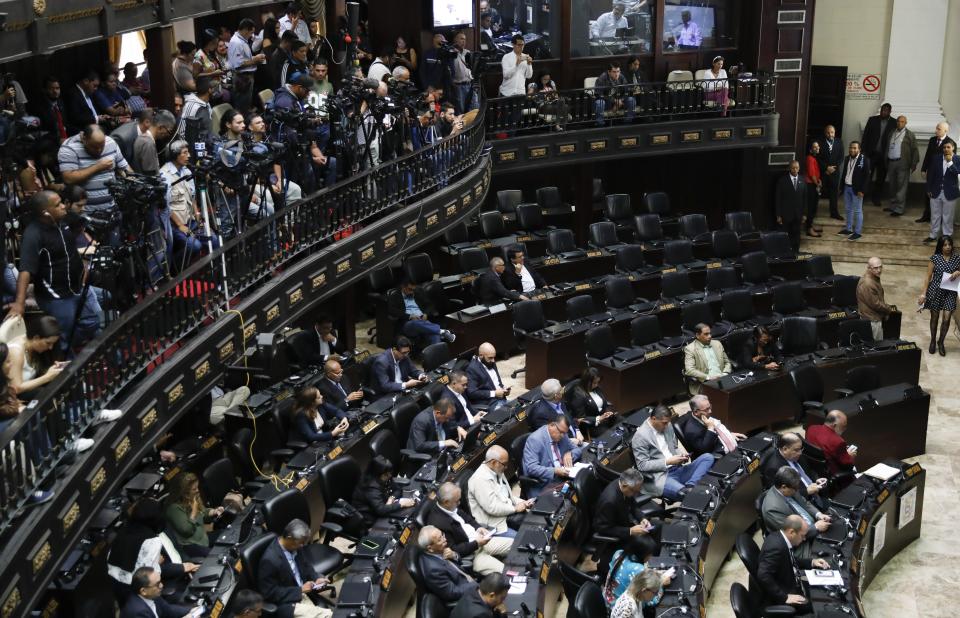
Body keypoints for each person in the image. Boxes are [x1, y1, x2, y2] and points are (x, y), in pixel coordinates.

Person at [7, 191, 104, 352]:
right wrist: (19, 303)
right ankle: (68, 371)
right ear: (45, 212)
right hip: (57, 296)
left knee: (94, 322)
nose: (63, 206)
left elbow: (73, 246)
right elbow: (25, 270)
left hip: (78, 287)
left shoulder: (63, 220)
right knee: (62, 339)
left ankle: (74, 346)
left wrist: (83, 268)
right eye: (58, 204)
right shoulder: (33, 235)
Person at [107, 498, 200, 601]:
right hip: (141, 592)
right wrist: (157, 563)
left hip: (117, 586)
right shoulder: (152, 541)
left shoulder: (122, 532)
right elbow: (152, 576)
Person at [427, 482, 513, 576]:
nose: (459, 503)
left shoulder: (450, 506)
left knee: (517, 546)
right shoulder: (438, 524)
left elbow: (468, 518)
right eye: (457, 501)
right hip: (473, 555)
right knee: (507, 573)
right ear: (446, 502)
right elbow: (454, 550)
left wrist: (478, 527)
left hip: (482, 541)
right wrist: (477, 543)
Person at [631, 405, 714, 500]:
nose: (667, 426)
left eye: (668, 423)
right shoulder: (640, 437)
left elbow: (674, 447)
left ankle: (691, 485)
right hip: (661, 478)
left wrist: (680, 456)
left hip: (678, 469)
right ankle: (689, 491)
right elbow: (642, 465)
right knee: (687, 495)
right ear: (653, 419)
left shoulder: (668, 425)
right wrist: (668, 461)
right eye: (664, 423)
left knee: (708, 457)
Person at [58, 123, 130, 227]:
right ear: (84, 139)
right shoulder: (69, 148)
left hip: (112, 209)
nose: (99, 150)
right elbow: (68, 178)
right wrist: (97, 167)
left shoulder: (110, 142)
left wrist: (135, 180)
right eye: (94, 147)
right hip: (86, 214)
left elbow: (124, 168)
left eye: (102, 146)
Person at [257, 519, 332, 618]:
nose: (302, 545)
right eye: (300, 543)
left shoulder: (295, 547)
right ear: (289, 538)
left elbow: (306, 566)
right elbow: (269, 593)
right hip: (287, 601)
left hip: (304, 592)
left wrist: (316, 578)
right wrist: (300, 590)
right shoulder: (270, 560)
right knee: (328, 615)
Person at [594, 469, 661, 579]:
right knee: (649, 545)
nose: (636, 494)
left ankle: (658, 562)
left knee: (658, 526)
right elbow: (602, 528)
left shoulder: (626, 488)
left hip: (627, 522)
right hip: (618, 534)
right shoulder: (609, 501)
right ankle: (647, 575)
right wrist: (630, 531)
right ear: (625, 485)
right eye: (635, 491)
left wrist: (642, 518)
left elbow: (634, 506)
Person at [757, 515, 830, 610]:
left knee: (824, 592)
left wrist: (812, 562)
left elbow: (790, 560)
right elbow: (763, 575)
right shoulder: (776, 547)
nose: (804, 539)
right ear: (792, 532)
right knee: (821, 605)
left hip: (792, 580)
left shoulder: (781, 538)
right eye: (802, 536)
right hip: (786, 592)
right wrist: (785, 597)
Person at [761, 467, 831, 558]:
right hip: (801, 545)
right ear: (784, 487)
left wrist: (819, 515)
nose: (797, 490)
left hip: (813, 527)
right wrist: (816, 528)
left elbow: (805, 503)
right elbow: (792, 535)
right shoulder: (772, 510)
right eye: (795, 488)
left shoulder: (791, 488)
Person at [468, 446, 533, 537]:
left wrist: (523, 502)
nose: (506, 467)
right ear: (494, 462)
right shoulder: (479, 480)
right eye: (504, 464)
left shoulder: (497, 470)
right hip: (495, 525)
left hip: (507, 515)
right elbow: (493, 508)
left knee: (536, 524)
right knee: (523, 539)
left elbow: (506, 496)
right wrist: (515, 509)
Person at [760, 432, 828, 510]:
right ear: (785, 449)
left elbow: (809, 470)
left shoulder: (795, 454)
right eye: (797, 450)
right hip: (802, 505)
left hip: (817, 496)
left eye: (801, 449)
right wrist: (806, 491)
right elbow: (782, 495)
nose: (800, 453)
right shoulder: (774, 469)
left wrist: (816, 479)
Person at [163, 471, 223, 558]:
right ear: (184, 492)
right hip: (190, 545)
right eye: (194, 489)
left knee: (226, 535)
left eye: (197, 487)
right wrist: (194, 512)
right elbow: (187, 530)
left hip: (203, 538)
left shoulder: (192, 498)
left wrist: (213, 511)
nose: (197, 491)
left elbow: (203, 512)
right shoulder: (173, 508)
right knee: (215, 557)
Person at [918, 236, 960, 356]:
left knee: (946, 319)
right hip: (935, 291)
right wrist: (923, 294)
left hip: (950, 292)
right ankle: (932, 340)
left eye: (949, 244)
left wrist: (958, 272)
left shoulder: (957, 258)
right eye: (945, 245)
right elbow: (928, 277)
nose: (947, 247)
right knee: (934, 317)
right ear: (940, 246)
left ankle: (940, 342)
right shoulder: (935, 258)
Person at [416, 525, 479, 603]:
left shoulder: (438, 549)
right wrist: (477, 586)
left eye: (442, 535)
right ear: (430, 548)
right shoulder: (433, 570)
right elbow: (452, 593)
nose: (444, 539)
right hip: (466, 594)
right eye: (440, 539)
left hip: (467, 579)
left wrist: (453, 555)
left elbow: (459, 561)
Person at [351, 455, 416, 531]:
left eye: (389, 473)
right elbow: (381, 510)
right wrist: (401, 504)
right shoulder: (370, 487)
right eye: (386, 474)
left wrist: (391, 498)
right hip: (371, 517)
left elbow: (398, 489)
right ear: (376, 474)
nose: (390, 476)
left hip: (383, 506)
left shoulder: (384, 476)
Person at [602, 535, 667, 609]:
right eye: (650, 554)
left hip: (607, 601)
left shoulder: (619, 553)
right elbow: (650, 601)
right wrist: (661, 583)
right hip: (620, 609)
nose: (650, 557)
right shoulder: (638, 570)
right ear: (642, 554)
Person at [521, 414, 578, 498]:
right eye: (561, 432)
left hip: (562, 478)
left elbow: (577, 449)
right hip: (545, 483)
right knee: (567, 498)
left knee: (579, 487)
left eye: (565, 433)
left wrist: (570, 454)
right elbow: (531, 468)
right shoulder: (535, 440)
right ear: (551, 425)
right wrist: (554, 471)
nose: (563, 436)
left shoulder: (562, 433)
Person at [388, 279, 456, 347]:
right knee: (415, 322)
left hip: (423, 321)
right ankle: (442, 331)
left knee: (435, 335)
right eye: (410, 289)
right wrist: (410, 316)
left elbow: (430, 305)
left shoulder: (417, 291)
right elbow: (392, 310)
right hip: (408, 324)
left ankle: (437, 355)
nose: (412, 292)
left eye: (413, 289)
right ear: (403, 287)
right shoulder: (395, 295)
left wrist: (426, 314)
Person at [527, 378, 586, 455]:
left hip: (577, 441)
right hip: (562, 450)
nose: (563, 390)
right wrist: (571, 441)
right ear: (556, 396)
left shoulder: (559, 401)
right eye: (561, 390)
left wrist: (577, 430)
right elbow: (550, 439)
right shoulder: (540, 414)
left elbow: (569, 417)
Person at [679, 394, 745, 458]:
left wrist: (730, 434)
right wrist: (710, 428)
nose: (710, 411)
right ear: (696, 412)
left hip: (735, 446)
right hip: (722, 456)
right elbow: (705, 451)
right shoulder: (691, 431)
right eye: (706, 409)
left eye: (710, 407)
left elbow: (719, 427)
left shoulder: (704, 416)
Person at [918, 121, 955, 225]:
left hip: (941, 175)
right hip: (931, 172)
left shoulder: (950, 143)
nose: (936, 131)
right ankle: (926, 215)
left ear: (945, 131)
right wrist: (923, 169)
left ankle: (940, 220)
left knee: (939, 196)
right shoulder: (932, 140)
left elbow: (951, 162)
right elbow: (928, 155)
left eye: (939, 129)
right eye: (936, 128)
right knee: (928, 194)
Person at [121, 567, 195, 618]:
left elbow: (169, 610)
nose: (162, 585)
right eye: (157, 584)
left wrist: (192, 610)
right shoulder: (138, 612)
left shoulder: (152, 595)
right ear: (143, 591)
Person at [563, 367, 616, 438]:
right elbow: (580, 418)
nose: (596, 385)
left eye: (598, 382)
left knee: (623, 423)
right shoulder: (578, 395)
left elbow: (605, 402)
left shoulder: (596, 388)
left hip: (605, 419)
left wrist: (608, 412)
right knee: (612, 436)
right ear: (587, 381)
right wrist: (598, 419)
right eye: (594, 383)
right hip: (591, 426)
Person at [228, 18, 267, 113]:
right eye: (250, 33)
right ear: (245, 29)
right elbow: (238, 64)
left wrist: (254, 58)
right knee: (243, 107)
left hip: (246, 77)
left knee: (247, 104)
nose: (251, 36)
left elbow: (244, 58)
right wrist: (255, 61)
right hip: (242, 78)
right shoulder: (236, 42)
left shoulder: (242, 40)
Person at [884, 115, 919, 216]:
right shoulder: (892, 132)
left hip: (903, 163)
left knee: (901, 186)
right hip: (891, 162)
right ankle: (893, 206)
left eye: (902, 122)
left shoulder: (910, 134)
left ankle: (899, 209)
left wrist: (914, 163)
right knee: (892, 185)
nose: (900, 123)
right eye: (898, 121)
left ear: (906, 123)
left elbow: (915, 150)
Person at [860, 102, 895, 205]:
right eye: (882, 110)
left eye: (886, 110)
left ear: (889, 111)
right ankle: (863, 195)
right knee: (867, 175)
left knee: (881, 178)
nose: (883, 112)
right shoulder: (872, 120)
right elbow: (865, 136)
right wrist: (863, 151)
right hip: (871, 153)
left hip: (884, 155)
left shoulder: (893, 122)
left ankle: (876, 198)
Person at [925, 141, 959, 244]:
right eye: (944, 147)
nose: (946, 149)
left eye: (948, 147)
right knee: (935, 215)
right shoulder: (936, 158)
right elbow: (931, 174)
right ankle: (933, 235)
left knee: (948, 216)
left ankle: (946, 236)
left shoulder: (958, 159)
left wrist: (950, 162)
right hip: (935, 191)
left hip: (950, 192)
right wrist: (928, 189)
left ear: (953, 148)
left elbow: (957, 172)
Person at [682, 323, 732, 394]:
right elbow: (689, 370)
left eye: (710, 333)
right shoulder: (690, 349)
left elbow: (727, 362)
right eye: (706, 334)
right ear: (697, 335)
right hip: (705, 382)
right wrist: (708, 377)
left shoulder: (717, 344)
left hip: (722, 378)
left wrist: (725, 373)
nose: (710, 336)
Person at [856, 257, 897, 342]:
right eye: (875, 268)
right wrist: (888, 309)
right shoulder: (867, 283)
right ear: (869, 268)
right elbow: (875, 304)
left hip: (873, 318)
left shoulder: (873, 278)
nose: (879, 270)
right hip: (872, 321)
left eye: (880, 267)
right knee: (876, 347)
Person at [805, 410, 857, 476]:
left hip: (814, 469)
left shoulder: (811, 428)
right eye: (843, 426)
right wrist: (850, 456)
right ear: (834, 425)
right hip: (835, 475)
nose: (845, 429)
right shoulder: (838, 441)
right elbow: (848, 466)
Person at [837, 141, 871, 241]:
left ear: (859, 150)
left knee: (857, 211)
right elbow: (844, 173)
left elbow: (866, 177)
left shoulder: (864, 160)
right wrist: (841, 187)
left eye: (855, 148)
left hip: (857, 190)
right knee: (848, 209)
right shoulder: (847, 158)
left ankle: (858, 232)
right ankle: (848, 229)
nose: (852, 150)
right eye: (851, 147)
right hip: (847, 187)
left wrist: (862, 190)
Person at [775, 159, 807, 252]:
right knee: (784, 236)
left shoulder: (802, 180)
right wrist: (778, 215)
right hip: (786, 215)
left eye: (797, 168)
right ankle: (784, 254)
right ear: (790, 168)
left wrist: (805, 214)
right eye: (793, 168)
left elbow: (805, 199)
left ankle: (795, 253)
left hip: (798, 215)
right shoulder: (782, 181)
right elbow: (778, 199)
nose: (795, 170)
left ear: (799, 168)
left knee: (796, 236)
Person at [464, 343, 510, 408]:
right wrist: (494, 393)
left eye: (494, 357)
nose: (493, 360)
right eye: (490, 358)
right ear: (481, 356)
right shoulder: (472, 369)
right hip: (489, 404)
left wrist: (503, 389)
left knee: (520, 410)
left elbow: (497, 382)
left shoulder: (491, 362)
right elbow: (472, 393)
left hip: (501, 399)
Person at [133, 109, 176, 175]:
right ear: (161, 128)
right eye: (169, 131)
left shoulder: (144, 138)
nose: (168, 135)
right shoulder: (148, 143)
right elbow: (151, 175)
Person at [593, 61, 635, 127]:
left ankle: (627, 123)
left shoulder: (621, 77)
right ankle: (600, 125)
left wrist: (620, 101)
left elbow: (627, 91)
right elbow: (598, 94)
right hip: (607, 102)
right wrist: (614, 101)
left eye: (618, 71)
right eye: (614, 72)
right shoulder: (601, 78)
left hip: (620, 101)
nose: (617, 74)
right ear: (609, 72)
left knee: (631, 100)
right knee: (599, 103)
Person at [816, 124, 844, 221]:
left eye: (832, 132)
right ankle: (813, 211)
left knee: (834, 192)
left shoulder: (839, 142)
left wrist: (833, 168)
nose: (830, 134)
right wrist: (826, 168)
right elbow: (817, 158)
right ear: (825, 133)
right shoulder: (819, 142)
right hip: (824, 172)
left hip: (835, 172)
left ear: (834, 133)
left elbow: (841, 157)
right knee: (818, 191)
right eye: (828, 132)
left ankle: (834, 212)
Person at [450, 31, 478, 115]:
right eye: (461, 39)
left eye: (465, 39)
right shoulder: (451, 54)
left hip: (470, 85)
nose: (463, 41)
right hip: (458, 87)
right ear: (455, 40)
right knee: (461, 111)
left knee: (475, 109)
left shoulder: (468, 52)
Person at [804, 140, 823, 237]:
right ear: (810, 150)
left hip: (813, 185)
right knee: (811, 208)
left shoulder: (814, 158)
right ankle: (809, 229)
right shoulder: (810, 158)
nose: (817, 148)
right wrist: (817, 184)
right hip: (810, 185)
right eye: (815, 147)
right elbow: (812, 175)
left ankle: (810, 226)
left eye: (818, 146)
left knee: (813, 208)